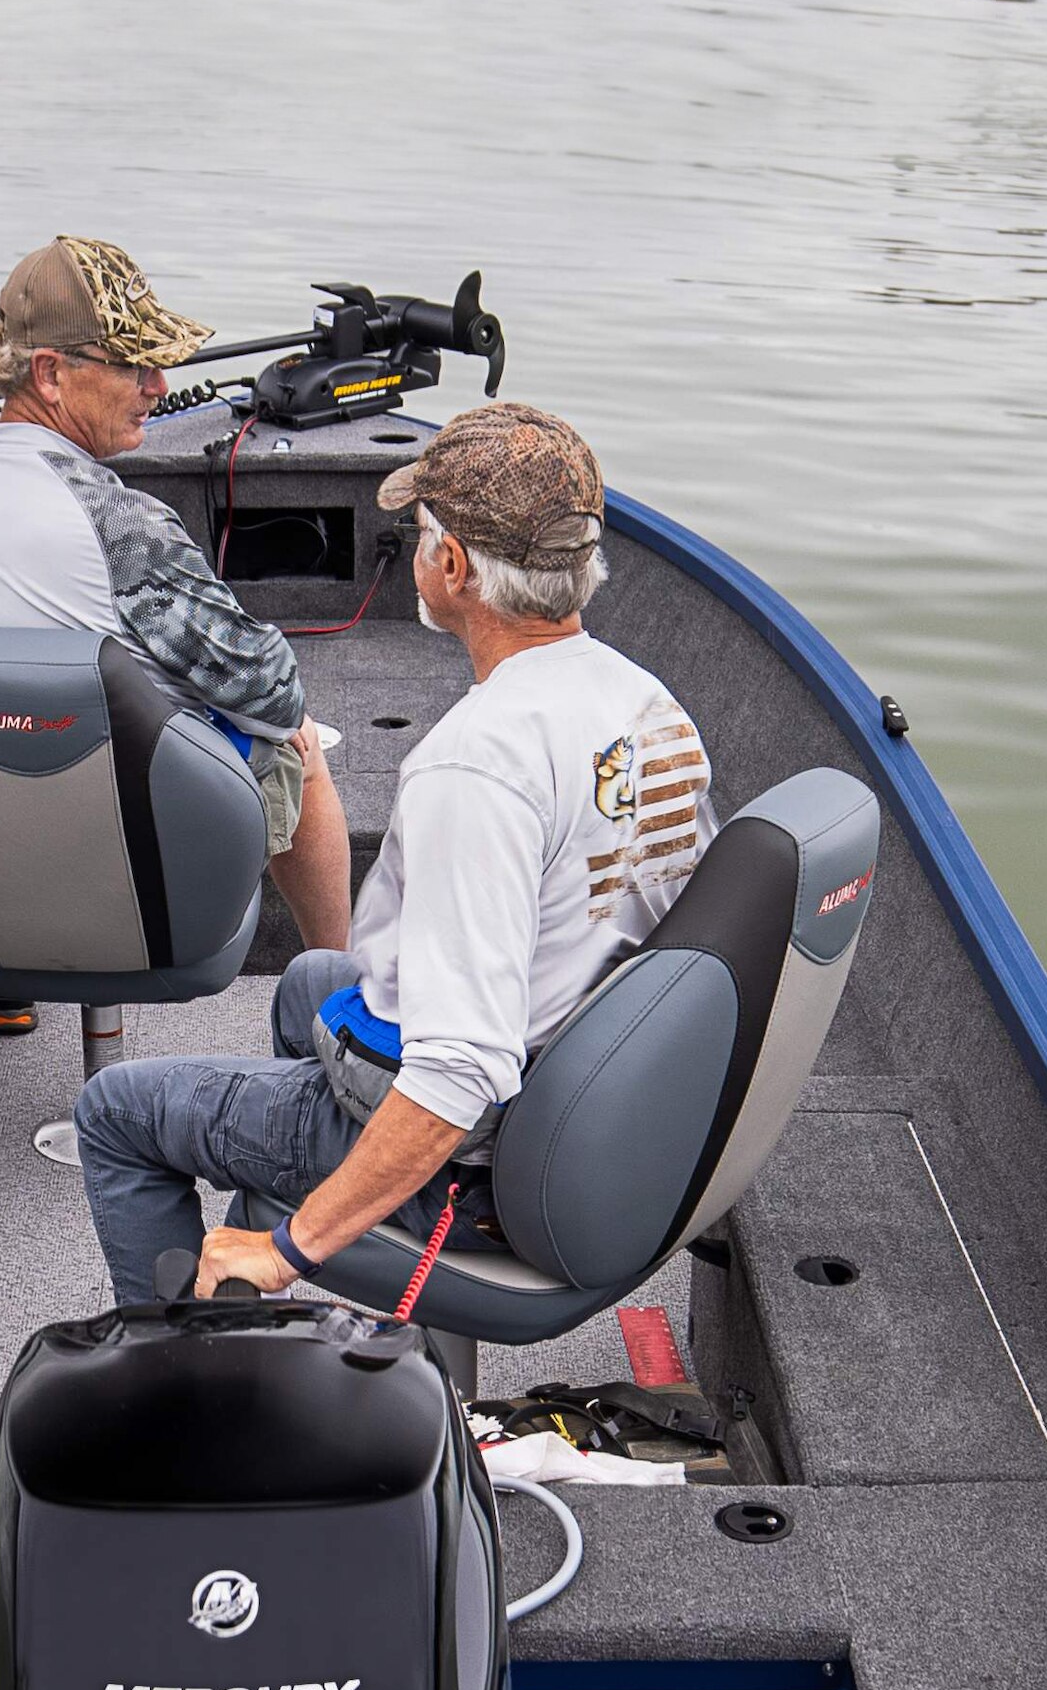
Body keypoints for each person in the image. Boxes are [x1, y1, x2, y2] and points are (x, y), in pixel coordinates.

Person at [70, 398, 711, 1309]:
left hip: (477, 1158)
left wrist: (290, 1249)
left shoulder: (476, 763)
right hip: (589, 1082)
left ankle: (182, 1390)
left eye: (419, 532)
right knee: (311, 982)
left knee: (118, 1112)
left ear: (452, 566)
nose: (416, 548)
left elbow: (460, 1072)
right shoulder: (651, 703)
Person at [0, 236, 350, 950]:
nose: (160, 386)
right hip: (137, 882)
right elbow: (272, 688)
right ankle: (332, 985)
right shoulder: (120, 523)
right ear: (50, 374)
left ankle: (8, 990)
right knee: (298, 738)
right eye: (136, 363)